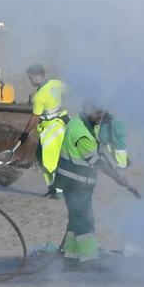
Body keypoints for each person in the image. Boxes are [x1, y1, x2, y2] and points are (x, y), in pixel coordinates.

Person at [54, 106, 107, 270]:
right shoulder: (81, 132)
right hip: (75, 182)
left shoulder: (79, 122)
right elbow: (95, 161)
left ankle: (71, 257)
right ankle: (90, 260)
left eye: (102, 112)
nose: (100, 116)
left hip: (73, 181)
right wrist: (119, 178)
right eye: (97, 112)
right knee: (84, 219)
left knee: (75, 219)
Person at [17, 64, 69, 189]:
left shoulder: (40, 96)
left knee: (50, 159)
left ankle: (58, 190)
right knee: (41, 156)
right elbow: (69, 92)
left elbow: (35, 117)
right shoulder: (57, 83)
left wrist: (25, 133)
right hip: (61, 124)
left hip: (52, 129)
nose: (30, 81)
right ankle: (51, 187)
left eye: (30, 78)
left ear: (37, 76)